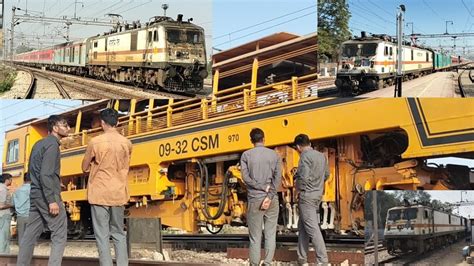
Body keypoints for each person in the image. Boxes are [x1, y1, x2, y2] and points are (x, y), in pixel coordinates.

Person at [17, 115, 70, 266]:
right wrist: (52, 200)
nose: (68, 128)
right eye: (65, 125)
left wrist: (54, 182)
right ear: (55, 128)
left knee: (29, 235)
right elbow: (45, 174)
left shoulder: (38, 144)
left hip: (35, 193)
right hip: (47, 196)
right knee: (59, 233)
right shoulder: (53, 145)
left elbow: (35, 170)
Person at [82, 108, 132, 266]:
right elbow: (125, 165)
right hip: (118, 192)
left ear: (102, 123)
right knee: (118, 232)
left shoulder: (95, 142)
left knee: (102, 234)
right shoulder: (127, 143)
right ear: (117, 122)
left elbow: (84, 167)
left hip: (99, 192)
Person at [240, 128, 281, 266]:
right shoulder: (274, 155)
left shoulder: (246, 155)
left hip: (255, 199)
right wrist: (269, 195)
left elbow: (245, 178)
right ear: (264, 139)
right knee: (270, 234)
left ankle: (254, 264)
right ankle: (268, 263)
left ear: (251, 141)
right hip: (272, 199)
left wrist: (261, 187)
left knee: (255, 237)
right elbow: (277, 178)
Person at [292, 134, 329, 265]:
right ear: (309, 143)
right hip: (317, 195)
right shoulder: (321, 156)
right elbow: (326, 175)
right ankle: (302, 259)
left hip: (307, 196)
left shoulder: (305, 156)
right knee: (303, 227)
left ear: (298, 147)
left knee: (312, 228)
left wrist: (298, 190)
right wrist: (317, 184)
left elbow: (303, 177)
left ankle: (322, 260)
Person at [12, 172, 31, 246]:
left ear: (24, 179)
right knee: (30, 236)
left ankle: (21, 253)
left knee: (21, 236)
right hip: (30, 215)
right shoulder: (33, 190)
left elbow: (13, 203)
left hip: (20, 216)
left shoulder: (17, 190)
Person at [0, 173, 13, 253]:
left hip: (2, 215)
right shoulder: (3, 189)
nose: (11, 181)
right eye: (11, 179)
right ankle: (3, 254)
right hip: (4, 214)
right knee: (4, 236)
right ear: (7, 180)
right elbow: (1, 205)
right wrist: (12, 205)